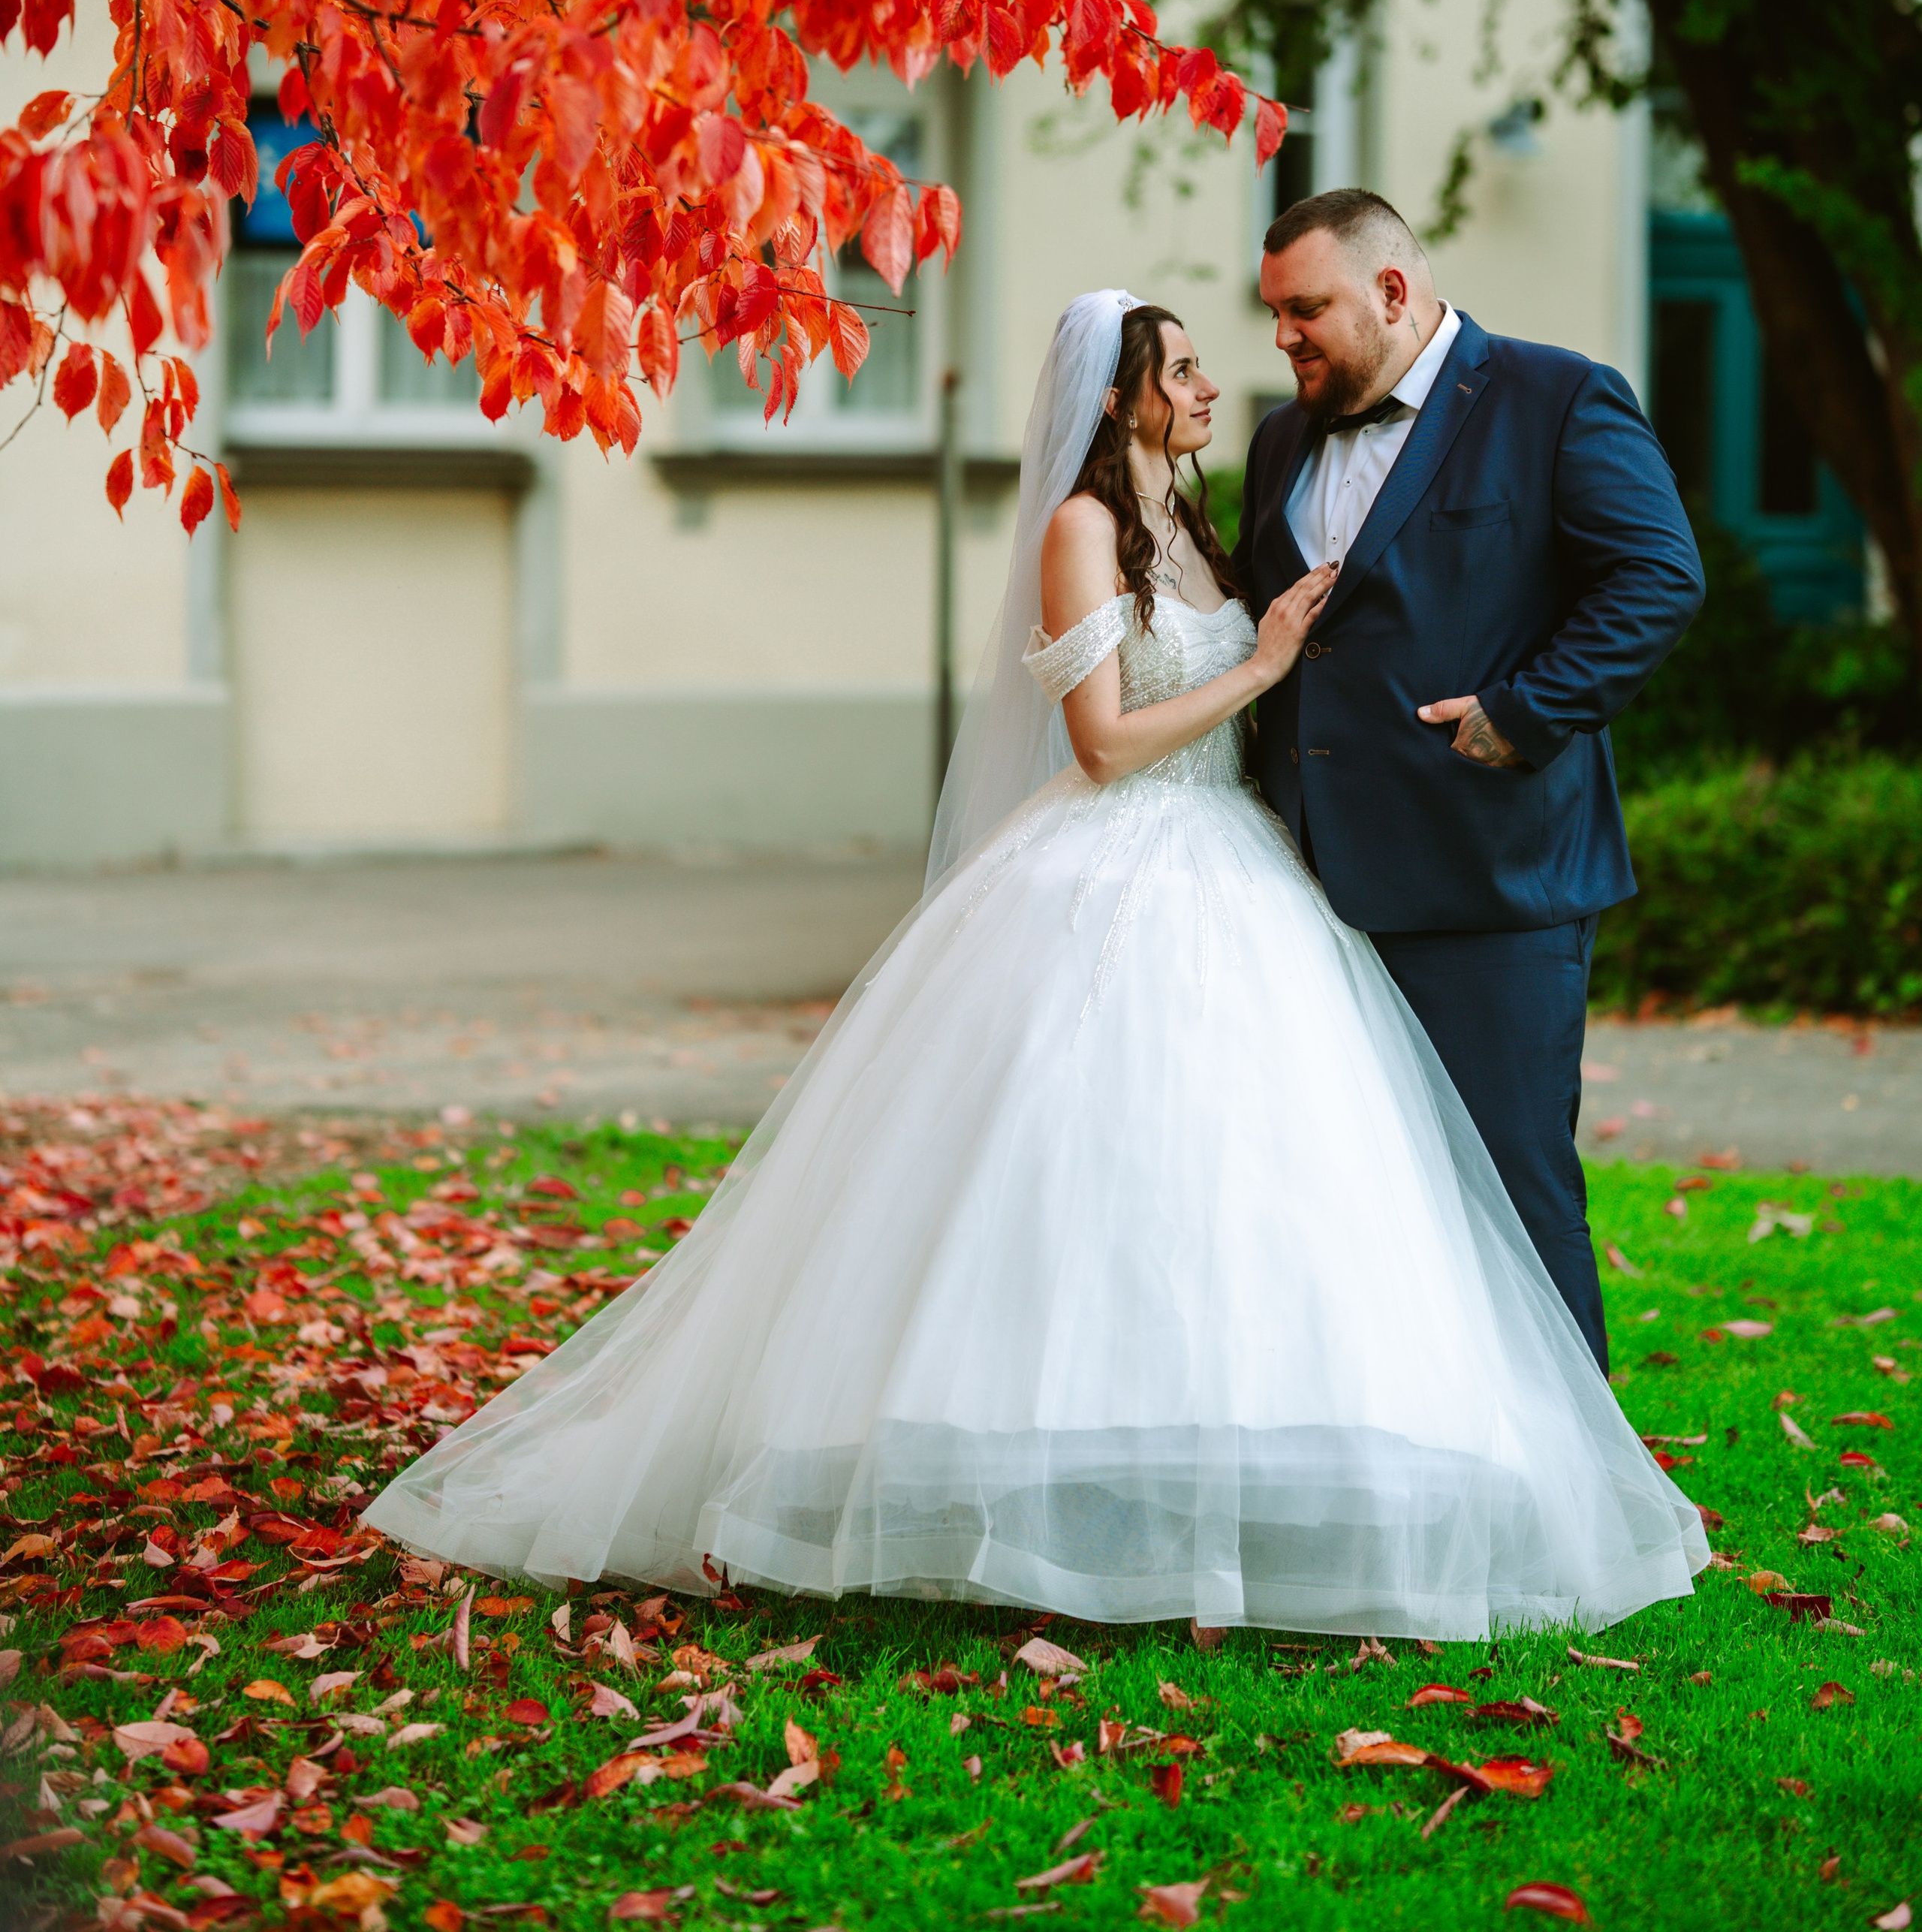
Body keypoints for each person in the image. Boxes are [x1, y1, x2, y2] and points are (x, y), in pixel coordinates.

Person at [364, 290, 1705, 1638]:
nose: (1216, 385)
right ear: (1120, 399)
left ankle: (1301, 1449)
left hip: (1245, 865)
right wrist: (1264, 665)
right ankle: (1032, 1448)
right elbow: (1105, 743)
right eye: (1183, 370)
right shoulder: (1081, 530)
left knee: (1251, 1178)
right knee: (1074, 1167)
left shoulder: (1198, 522)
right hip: (1116, 862)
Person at [1240, 190, 1707, 1373]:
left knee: (1511, 1192)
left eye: (1306, 309)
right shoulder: (1281, 438)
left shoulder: (1558, 398)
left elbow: (1658, 576)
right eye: (1274, 312)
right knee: (1351, 1202)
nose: (1283, 336)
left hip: (1492, 881)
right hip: (1309, 897)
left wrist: (1526, 711)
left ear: (1393, 290)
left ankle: (1575, 1476)